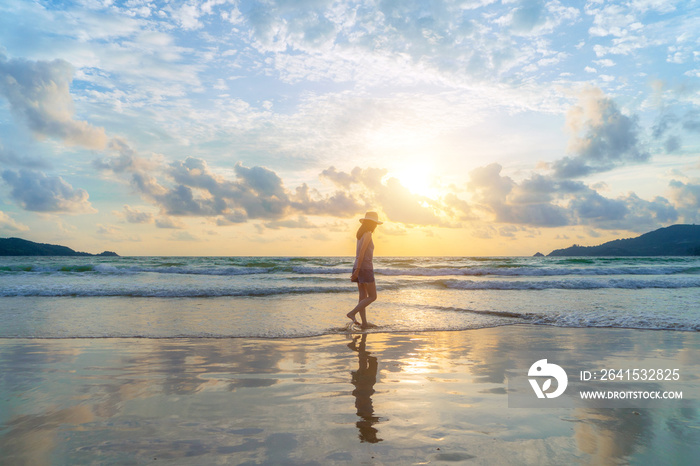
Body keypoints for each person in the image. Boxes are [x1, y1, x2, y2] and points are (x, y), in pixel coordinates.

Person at [347, 211, 382, 328]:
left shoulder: (360, 234)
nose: (376, 226)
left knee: (362, 297)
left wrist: (356, 269)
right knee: (373, 296)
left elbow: (358, 254)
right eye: (375, 224)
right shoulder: (368, 234)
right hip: (365, 267)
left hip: (358, 265)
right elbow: (362, 253)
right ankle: (352, 313)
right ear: (372, 224)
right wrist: (358, 270)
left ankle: (364, 324)